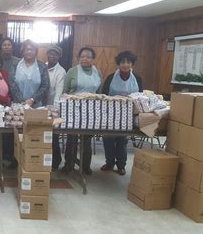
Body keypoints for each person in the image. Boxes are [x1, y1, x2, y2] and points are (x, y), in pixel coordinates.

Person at [101, 51, 143, 175]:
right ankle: (109, 163)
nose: (125, 64)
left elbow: (140, 98)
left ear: (132, 64)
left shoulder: (138, 79)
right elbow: (103, 95)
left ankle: (121, 165)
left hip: (128, 115)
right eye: (122, 62)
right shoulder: (110, 78)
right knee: (108, 138)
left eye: (128, 62)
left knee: (122, 139)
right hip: (110, 114)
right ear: (118, 64)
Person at [62, 47, 102, 175]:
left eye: (88, 56)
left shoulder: (97, 72)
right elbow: (65, 91)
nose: (85, 59)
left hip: (90, 111)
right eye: (83, 56)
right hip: (73, 110)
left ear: (92, 59)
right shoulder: (72, 71)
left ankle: (85, 165)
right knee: (71, 138)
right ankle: (69, 164)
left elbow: (100, 93)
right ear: (78, 58)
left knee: (87, 139)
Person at [9, 39, 50, 108]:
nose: (29, 51)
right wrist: (22, 101)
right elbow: (12, 84)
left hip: (36, 105)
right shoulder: (15, 65)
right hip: (19, 106)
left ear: (35, 52)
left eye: (32, 50)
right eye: (27, 49)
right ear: (23, 51)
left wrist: (32, 100)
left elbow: (45, 86)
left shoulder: (42, 67)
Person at [45, 45, 66, 170]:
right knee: (43, 136)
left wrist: (53, 111)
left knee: (53, 137)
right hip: (40, 106)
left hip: (53, 109)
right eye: (50, 54)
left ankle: (55, 162)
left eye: (55, 54)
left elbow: (58, 92)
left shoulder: (61, 71)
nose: (52, 56)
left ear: (59, 57)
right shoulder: (42, 67)